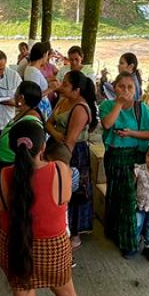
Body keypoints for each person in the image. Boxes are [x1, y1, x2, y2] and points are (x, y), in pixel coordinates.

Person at [0, 120, 94, 296]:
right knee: (65, 289)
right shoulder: (60, 170)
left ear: (11, 147)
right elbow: (64, 199)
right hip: (54, 246)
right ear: (43, 146)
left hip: (14, 245)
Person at [99, 72, 149, 257]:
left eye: (130, 87)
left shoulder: (141, 109)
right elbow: (107, 124)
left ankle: (129, 243)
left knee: (130, 200)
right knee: (115, 195)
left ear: (136, 89)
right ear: (114, 88)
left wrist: (131, 133)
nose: (125, 90)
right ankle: (114, 232)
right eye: (121, 86)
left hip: (135, 159)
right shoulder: (107, 105)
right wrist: (118, 104)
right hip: (114, 157)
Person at [46, 71, 98, 248]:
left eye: (66, 84)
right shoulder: (63, 100)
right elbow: (48, 123)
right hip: (57, 148)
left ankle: (74, 232)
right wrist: (56, 134)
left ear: (77, 90)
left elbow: (70, 140)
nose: (61, 86)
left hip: (73, 154)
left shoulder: (80, 109)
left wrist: (62, 162)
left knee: (74, 190)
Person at [0, 81, 45, 166]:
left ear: (21, 98)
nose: (14, 95)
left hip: (13, 164)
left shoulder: (31, 121)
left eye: (16, 92)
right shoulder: (24, 112)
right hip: (6, 160)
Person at [22, 41, 58, 119]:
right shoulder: (33, 71)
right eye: (47, 55)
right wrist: (51, 89)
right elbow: (34, 95)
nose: (47, 58)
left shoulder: (31, 68)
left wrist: (48, 80)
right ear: (44, 55)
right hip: (39, 107)